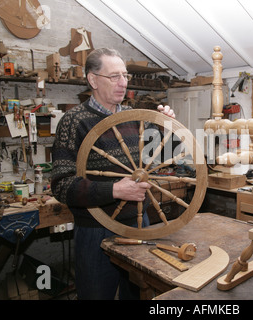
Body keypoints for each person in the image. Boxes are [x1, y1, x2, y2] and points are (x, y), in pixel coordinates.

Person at [51, 48, 175, 300]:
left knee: (141, 294)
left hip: (139, 223)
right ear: (93, 80)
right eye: (114, 76)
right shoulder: (74, 121)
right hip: (96, 229)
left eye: (125, 75)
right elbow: (62, 186)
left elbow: (159, 159)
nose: (123, 83)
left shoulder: (134, 117)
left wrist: (166, 128)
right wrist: (114, 190)